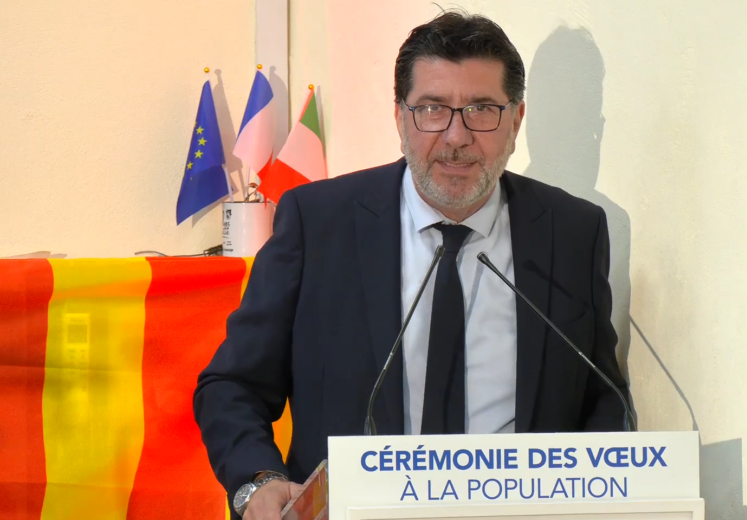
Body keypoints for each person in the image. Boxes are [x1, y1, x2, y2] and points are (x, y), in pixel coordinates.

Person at [193, 10, 632, 520]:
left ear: (516, 121)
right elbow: (234, 385)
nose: (456, 136)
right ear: (400, 118)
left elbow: (603, 398)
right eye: (432, 109)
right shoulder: (318, 223)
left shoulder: (573, 232)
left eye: (482, 109)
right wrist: (258, 481)